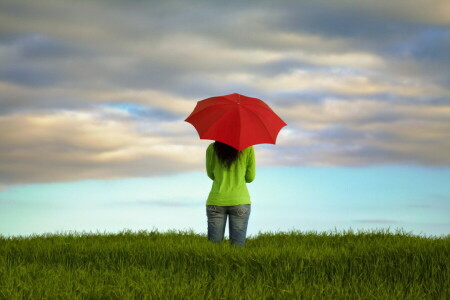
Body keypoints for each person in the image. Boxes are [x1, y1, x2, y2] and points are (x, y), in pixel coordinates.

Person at [205, 141, 256, 247]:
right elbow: (250, 178)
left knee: (214, 249)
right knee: (237, 249)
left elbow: (211, 174)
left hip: (216, 200)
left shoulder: (212, 148)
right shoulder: (248, 148)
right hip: (240, 201)